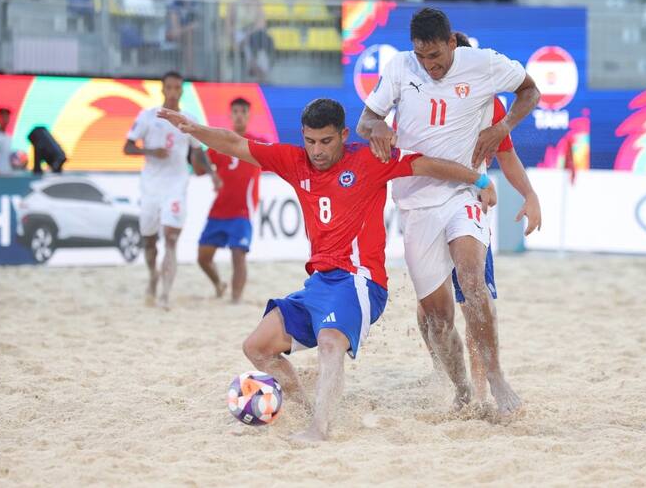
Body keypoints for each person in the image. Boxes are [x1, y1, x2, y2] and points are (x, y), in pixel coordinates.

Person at [157, 98, 495, 441]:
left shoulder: (371, 159)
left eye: (326, 141)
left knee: (330, 343)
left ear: (344, 135)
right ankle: (307, 411)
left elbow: (427, 165)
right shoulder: (294, 161)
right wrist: (194, 129)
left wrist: (479, 181)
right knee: (256, 347)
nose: (317, 151)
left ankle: (319, 428)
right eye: (310, 141)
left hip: (360, 280)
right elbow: (234, 143)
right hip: (319, 283)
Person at [356, 7, 540, 415]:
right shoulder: (400, 67)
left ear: (452, 43)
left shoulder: (483, 64)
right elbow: (364, 121)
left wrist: (503, 127)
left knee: (472, 280)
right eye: (421, 56)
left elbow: (530, 91)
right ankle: (461, 390)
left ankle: (495, 376)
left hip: (464, 192)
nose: (429, 65)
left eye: (436, 55)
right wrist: (378, 127)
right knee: (436, 317)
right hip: (415, 203)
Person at [418, 31, 542, 398]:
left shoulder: (489, 104)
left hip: (467, 207)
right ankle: (444, 372)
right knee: (428, 309)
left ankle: (483, 385)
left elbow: (507, 154)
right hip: (427, 209)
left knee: (473, 294)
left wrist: (530, 194)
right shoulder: (422, 100)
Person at [123, 71, 211, 310]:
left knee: (171, 238)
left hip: (176, 186)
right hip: (151, 187)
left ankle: (165, 294)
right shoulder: (148, 116)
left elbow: (197, 150)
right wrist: (151, 151)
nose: (173, 92)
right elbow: (127, 147)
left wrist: (209, 173)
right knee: (149, 240)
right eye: (169, 87)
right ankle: (153, 276)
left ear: (182, 90)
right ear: (162, 89)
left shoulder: (189, 119)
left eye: (177, 88)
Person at [197, 97, 261, 303]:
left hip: (243, 211)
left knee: (238, 255)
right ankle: (219, 284)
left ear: (249, 115)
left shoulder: (257, 143)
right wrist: (195, 149)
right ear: (230, 115)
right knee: (203, 258)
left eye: (243, 111)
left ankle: (236, 300)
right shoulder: (220, 143)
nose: (239, 115)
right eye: (236, 112)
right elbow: (198, 169)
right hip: (220, 209)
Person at [226, 0, 273, 83]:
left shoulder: (257, 3)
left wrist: (249, 34)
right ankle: (259, 73)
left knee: (258, 45)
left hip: (252, 34)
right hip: (238, 33)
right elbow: (229, 24)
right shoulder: (234, 4)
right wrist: (232, 38)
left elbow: (261, 23)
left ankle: (259, 72)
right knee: (247, 45)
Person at [165, 0, 199, 78]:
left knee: (189, 36)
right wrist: (189, 27)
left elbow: (200, 25)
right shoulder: (174, 4)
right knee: (188, 34)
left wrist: (188, 29)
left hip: (193, 38)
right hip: (172, 35)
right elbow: (175, 31)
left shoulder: (198, 3)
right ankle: (189, 73)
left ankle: (189, 74)